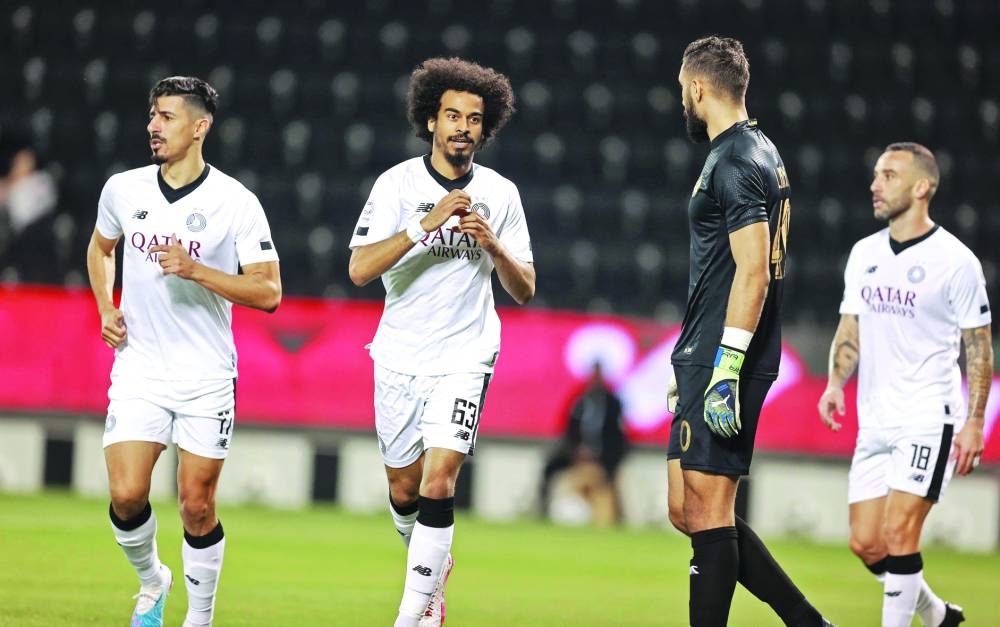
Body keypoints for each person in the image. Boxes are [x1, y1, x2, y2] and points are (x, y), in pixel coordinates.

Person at [86, 76, 281, 627]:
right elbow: (101, 249)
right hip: (141, 366)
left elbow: (269, 292)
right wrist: (106, 305)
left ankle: (200, 618)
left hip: (206, 374)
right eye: (152, 115)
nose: (153, 126)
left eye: (167, 116)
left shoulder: (236, 202)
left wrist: (197, 270)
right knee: (126, 494)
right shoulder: (123, 190)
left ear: (200, 127)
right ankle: (153, 581)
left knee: (196, 505)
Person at [348, 57, 534, 627]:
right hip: (399, 354)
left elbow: (524, 289)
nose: (462, 127)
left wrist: (495, 246)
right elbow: (358, 269)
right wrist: (421, 227)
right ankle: (432, 568)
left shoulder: (501, 194)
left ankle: (412, 616)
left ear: (486, 128)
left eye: (474, 119)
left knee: (439, 480)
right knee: (405, 491)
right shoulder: (396, 185)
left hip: (465, 354)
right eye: (452, 115)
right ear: (430, 121)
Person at [665, 36, 832, 626]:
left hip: (724, 352)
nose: (682, 100)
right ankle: (809, 623)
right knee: (687, 509)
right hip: (703, 348)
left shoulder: (735, 161)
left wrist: (726, 368)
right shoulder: (757, 149)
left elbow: (754, 271)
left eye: (682, 90)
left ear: (698, 89)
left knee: (709, 511)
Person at [818, 142, 991, 627]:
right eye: (876, 174)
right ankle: (938, 616)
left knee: (898, 534)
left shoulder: (957, 262)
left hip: (927, 416)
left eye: (889, 175)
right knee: (866, 542)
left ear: (922, 188)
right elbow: (850, 328)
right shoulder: (864, 254)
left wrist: (975, 420)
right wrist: (835, 383)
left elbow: (978, 347)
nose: (875, 184)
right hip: (874, 418)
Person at [540, 361, 629, 526]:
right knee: (549, 467)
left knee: (609, 481)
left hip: (604, 456)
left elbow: (619, 437)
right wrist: (576, 451)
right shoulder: (580, 401)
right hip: (577, 453)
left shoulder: (613, 404)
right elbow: (569, 431)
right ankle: (541, 509)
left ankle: (614, 517)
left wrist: (602, 456)